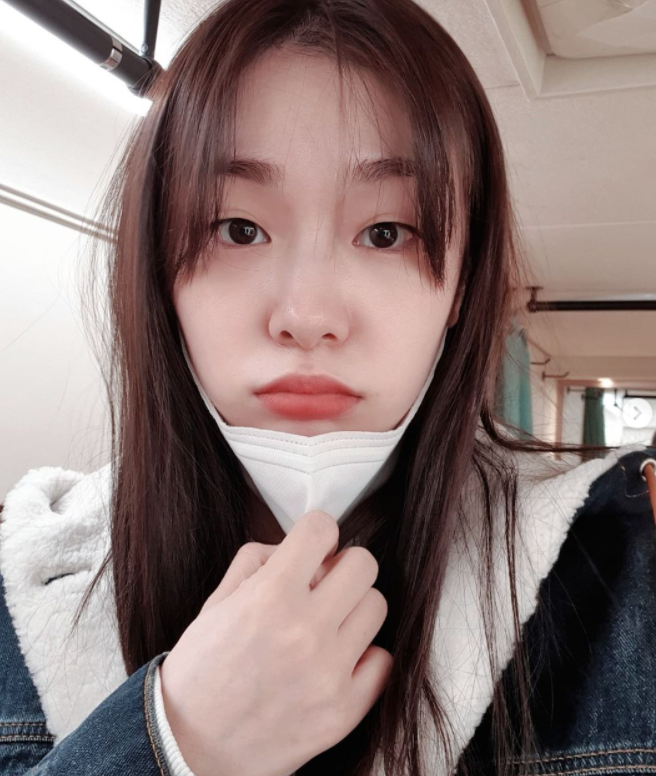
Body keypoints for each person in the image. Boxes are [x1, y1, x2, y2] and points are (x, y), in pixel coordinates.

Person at [1, 1, 655, 775]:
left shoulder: (623, 571)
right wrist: (178, 741)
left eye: (386, 233)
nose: (308, 317)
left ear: (460, 287)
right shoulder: (24, 582)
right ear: (158, 275)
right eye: (238, 229)